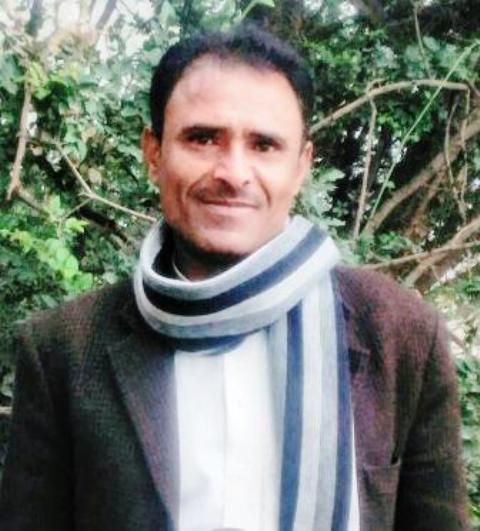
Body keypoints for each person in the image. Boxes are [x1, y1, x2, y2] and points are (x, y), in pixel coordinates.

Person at [0, 24, 468, 531]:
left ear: (301, 166)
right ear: (153, 154)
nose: (233, 173)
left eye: (264, 145)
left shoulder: (401, 336)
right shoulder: (63, 350)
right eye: (202, 138)